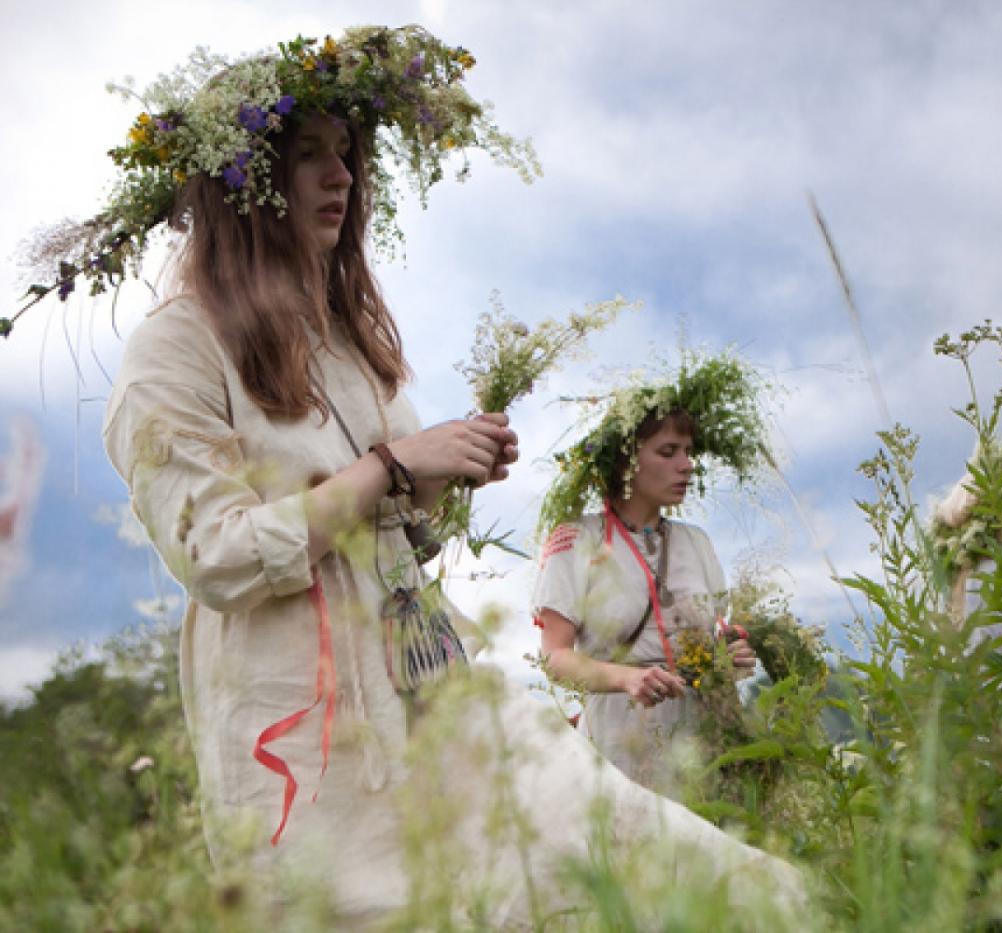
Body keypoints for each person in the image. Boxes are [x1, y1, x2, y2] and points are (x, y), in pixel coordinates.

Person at [19, 26, 802, 927]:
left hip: (425, 672)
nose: (340, 176)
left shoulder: (349, 344)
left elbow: (398, 528)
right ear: (244, 184)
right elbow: (219, 557)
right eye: (307, 153)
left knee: (593, 837)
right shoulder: (175, 350)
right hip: (299, 713)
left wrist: (441, 477)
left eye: (346, 155)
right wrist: (393, 463)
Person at [533, 402, 760, 798]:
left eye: (689, 452)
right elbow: (554, 657)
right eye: (668, 452)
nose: (687, 465)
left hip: (705, 736)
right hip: (621, 739)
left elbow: (719, 633)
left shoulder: (697, 541)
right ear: (625, 462)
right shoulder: (577, 538)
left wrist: (731, 655)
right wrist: (627, 678)